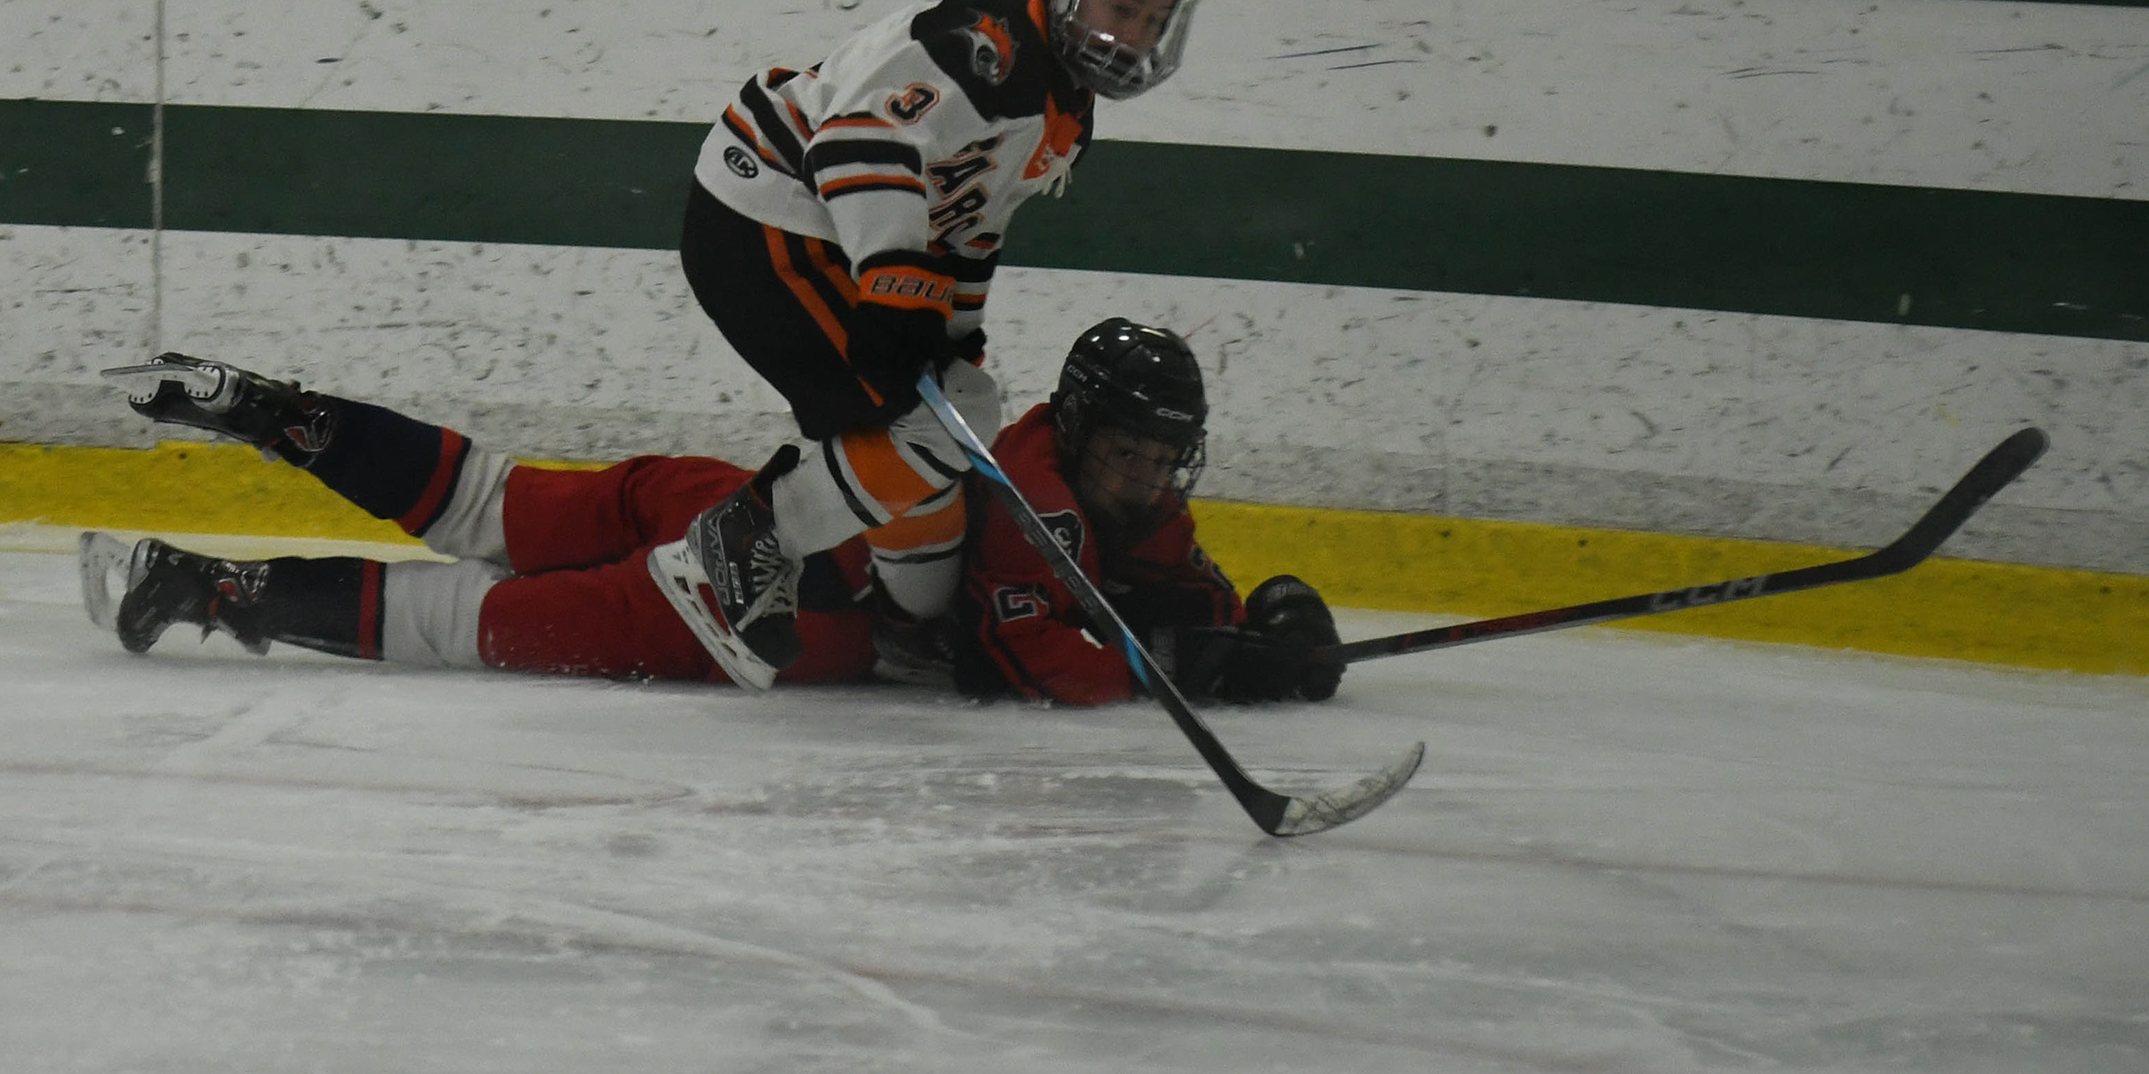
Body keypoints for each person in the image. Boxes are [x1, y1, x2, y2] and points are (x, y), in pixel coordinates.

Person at [83, 320, 1344, 711]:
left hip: (726, 503)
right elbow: (1028, 666)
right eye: (1128, 452)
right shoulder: (1039, 507)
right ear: (1076, 432)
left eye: (1163, 458)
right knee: (463, 618)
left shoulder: (1096, 492)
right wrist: (1190, 662)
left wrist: (1261, 623)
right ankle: (206, 586)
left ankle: (275, 412)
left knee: (492, 499)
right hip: (747, 605)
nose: (1147, 478)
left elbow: (1174, 584)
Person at [650, 0, 1204, 691]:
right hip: (768, 216)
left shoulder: (1067, 115)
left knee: (953, 415)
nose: (1132, 37)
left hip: (824, 238)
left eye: (1154, 20)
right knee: (942, 424)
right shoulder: (985, 44)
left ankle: (909, 629)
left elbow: (969, 231)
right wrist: (896, 287)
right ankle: (743, 540)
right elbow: (853, 142)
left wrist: (949, 332)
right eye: (1122, 6)